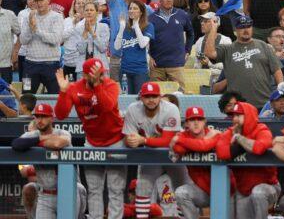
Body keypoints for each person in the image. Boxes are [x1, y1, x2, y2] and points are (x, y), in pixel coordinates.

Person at [54, 58, 125, 219]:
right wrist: (64, 91)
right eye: (95, 75)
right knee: (94, 189)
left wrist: (98, 86)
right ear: (85, 75)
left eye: (101, 74)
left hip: (116, 141)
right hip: (92, 142)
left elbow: (106, 107)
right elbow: (60, 114)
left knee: (115, 189)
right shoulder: (75, 88)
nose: (100, 78)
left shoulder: (111, 85)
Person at [122, 81, 187, 218]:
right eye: (147, 96)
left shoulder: (170, 109)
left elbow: (168, 141)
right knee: (142, 188)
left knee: (182, 190)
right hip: (151, 154)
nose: (151, 100)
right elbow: (127, 138)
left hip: (173, 153)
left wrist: (143, 140)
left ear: (160, 97)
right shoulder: (133, 109)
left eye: (154, 96)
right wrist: (130, 141)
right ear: (141, 98)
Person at [11, 103, 87, 218]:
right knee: (29, 188)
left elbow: (57, 143)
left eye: (44, 116)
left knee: (79, 189)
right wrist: (41, 138)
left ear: (51, 118)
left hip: (68, 191)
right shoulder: (32, 134)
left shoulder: (63, 133)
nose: (40, 120)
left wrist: (35, 143)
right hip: (45, 195)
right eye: (37, 116)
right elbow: (16, 144)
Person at [216, 101, 280, 219]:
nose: (235, 119)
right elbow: (221, 152)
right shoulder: (231, 132)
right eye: (233, 116)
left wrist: (239, 139)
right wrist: (240, 146)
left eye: (239, 115)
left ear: (249, 115)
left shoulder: (262, 129)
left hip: (269, 186)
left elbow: (259, 148)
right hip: (243, 189)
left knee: (258, 193)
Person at [205, 14, 283, 109]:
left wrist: (280, 93)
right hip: (238, 106)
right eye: (242, 27)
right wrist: (213, 29)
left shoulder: (263, 46)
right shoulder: (228, 49)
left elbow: (277, 71)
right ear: (236, 30)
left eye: (248, 26)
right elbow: (209, 53)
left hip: (264, 104)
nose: (246, 30)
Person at [168, 106, 225, 219]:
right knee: (181, 193)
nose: (196, 123)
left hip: (224, 189)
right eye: (192, 120)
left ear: (204, 122)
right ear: (187, 124)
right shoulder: (183, 135)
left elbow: (204, 147)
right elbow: (179, 150)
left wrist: (181, 141)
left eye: (199, 119)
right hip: (203, 190)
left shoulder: (216, 134)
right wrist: (192, 143)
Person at [148, 0, 193, 91]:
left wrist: (188, 50)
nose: (169, 0)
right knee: (156, 97)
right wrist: (148, 56)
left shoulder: (182, 15)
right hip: (157, 67)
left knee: (181, 98)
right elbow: (145, 40)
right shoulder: (151, 19)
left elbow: (191, 33)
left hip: (176, 65)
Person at [19, 0, 64, 93]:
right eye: (36, 0)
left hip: (51, 64)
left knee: (55, 97)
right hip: (30, 64)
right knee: (26, 96)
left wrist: (36, 30)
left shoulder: (57, 17)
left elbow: (56, 39)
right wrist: (30, 27)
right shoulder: (28, 17)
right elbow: (23, 40)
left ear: (48, 0)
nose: (39, 3)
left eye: (41, 0)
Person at [113, 0, 153, 94]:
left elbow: (142, 44)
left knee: (140, 99)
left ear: (141, 12)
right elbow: (116, 47)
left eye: (135, 8)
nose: (131, 10)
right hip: (124, 70)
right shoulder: (124, 27)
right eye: (130, 8)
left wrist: (136, 26)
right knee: (127, 99)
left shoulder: (148, 26)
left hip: (140, 71)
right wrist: (122, 28)